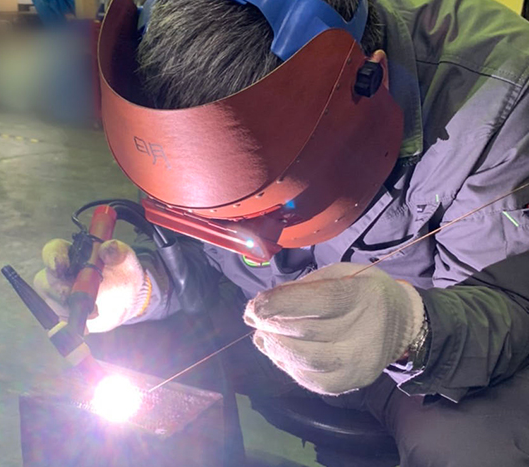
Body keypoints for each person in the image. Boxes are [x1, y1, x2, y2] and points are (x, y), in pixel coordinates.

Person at [35, 0, 529, 465]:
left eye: (263, 202)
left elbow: (513, 306)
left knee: (476, 448)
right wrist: (148, 286)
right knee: (122, 354)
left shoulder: (500, 99)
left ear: (369, 81)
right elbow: (214, 262)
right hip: (266, 332)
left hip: (422, 365)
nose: (237, 230)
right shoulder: (171, 90)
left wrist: (408, 331)